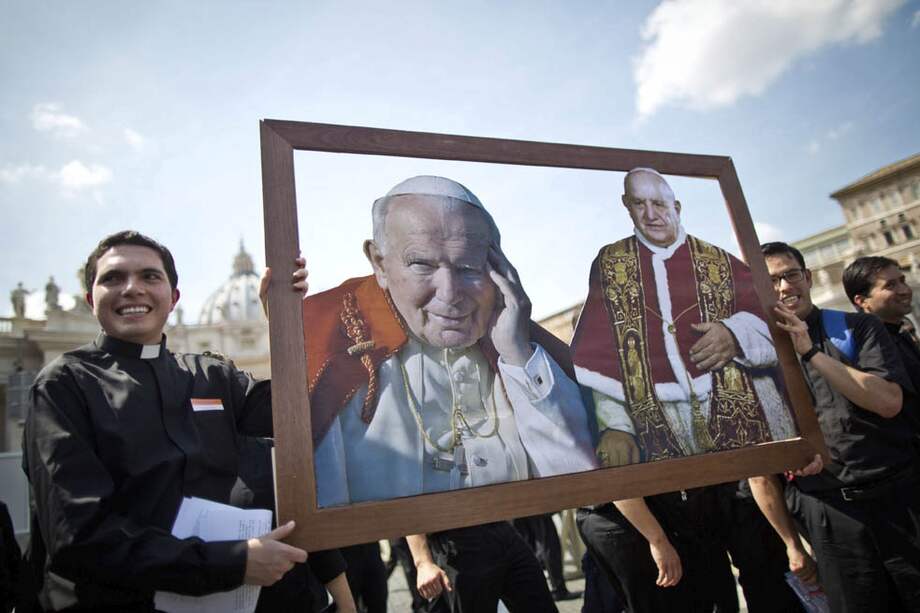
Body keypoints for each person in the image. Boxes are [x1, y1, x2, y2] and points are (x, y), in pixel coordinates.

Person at [22, 231, 310, 612]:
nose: (131, 289)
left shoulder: (212, 375)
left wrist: (286, 320)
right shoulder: (63, 385)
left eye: (149, 277)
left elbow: (300, 413)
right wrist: (232, 563)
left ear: (173, 298)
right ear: (91, 300)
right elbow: (77, 535)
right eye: (112, 278)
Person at [306, 175, 597, 507]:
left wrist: (518, 355)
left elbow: (585, 486)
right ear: (379, 263)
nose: (450, 294)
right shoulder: (335, 358)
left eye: (469, 267)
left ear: (499, 268)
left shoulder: (514, 346)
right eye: (421, 265)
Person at [571, 167, 796, 465]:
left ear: (676, 207)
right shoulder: (612, 264)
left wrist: (734, 335)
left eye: (660, 204)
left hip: (748, 414)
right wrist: (615, 426)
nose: (651, 215)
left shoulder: (719, 260)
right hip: (662, 424)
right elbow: (602, 358)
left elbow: (775, 326)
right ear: (627, 206)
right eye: (640, 204)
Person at [760, 241, 920, 611]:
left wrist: (810, 352)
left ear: (808, 278)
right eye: (772, 282)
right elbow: (759, 460)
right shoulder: (757, 358)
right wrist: (792, 544)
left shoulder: (855, 327)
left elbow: (887, 402)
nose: (784, 288)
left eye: (790, 275)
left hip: (899, 501)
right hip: (832, 517)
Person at [843, 256, 920, 429]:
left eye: (902, 281)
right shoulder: (865, 350)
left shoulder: (902, 333)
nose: (904, 290)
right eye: (890, 285)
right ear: (862, 301)